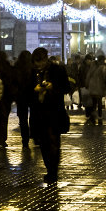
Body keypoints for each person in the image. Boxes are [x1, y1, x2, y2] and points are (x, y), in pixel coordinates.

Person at [29, 47, 72, 183]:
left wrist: (53, 87)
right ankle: (49, 168)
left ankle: (53, 171)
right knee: (42, 142)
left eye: (42, 61)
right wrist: (34, 90)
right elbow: (25, 92)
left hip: (54, 112)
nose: (39, 64)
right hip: (38, 113)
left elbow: (66, 87)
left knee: (54, 142)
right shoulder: (31, 73)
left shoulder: (57, 70)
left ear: (46, 59)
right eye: (37, 62)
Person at [0, 51, 16, 148]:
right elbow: (12, 82)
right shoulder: (9, 68)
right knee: (4, 118)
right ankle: (2, 138)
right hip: (6, 97)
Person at [13, 50, 35, 157]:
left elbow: (14, 83)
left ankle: (25, 141)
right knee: (34, 116)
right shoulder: (33, 67)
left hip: (21, 97)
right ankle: (34, 136)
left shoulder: (17, 68)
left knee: (23, 119)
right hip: (32, 95)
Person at [84, 53, 106, 124]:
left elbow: (88, 76)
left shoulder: (92, 66)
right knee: (99, 102)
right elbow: (104, 77)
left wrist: (87, 84)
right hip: (99, 87)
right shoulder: (102, 67)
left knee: (93, 103)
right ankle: (99, 116)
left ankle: (93, 117)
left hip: (92, 87)